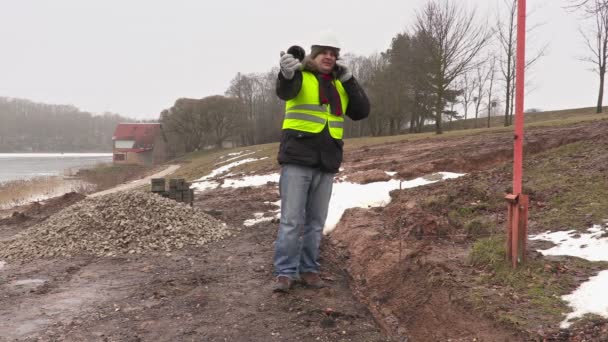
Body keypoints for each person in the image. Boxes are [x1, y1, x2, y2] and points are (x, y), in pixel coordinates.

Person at [272, 32, 370, 292]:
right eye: (324, 52)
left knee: (316, 223)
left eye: (334, 53)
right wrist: (286, 73)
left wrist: (350, 80)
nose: (329, 56)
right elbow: (285, 91)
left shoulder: (340, 85)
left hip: (326, 162)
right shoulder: (299, 77)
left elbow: (361, 112)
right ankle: (285, 272)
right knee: (292, 221)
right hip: (297, 160)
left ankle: (309, 269)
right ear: (313, 56)